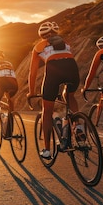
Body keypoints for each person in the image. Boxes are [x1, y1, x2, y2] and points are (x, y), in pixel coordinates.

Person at [27, 21, 80, 159]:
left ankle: (47, 150)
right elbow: (68, 57)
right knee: (69, 96)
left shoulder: (39, 46)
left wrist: (31, 92)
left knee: (47, 111)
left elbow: (32, 73)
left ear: (42, 36)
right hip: (72, 69)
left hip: (53, 72)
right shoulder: (66, 43)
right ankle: (78, 126)